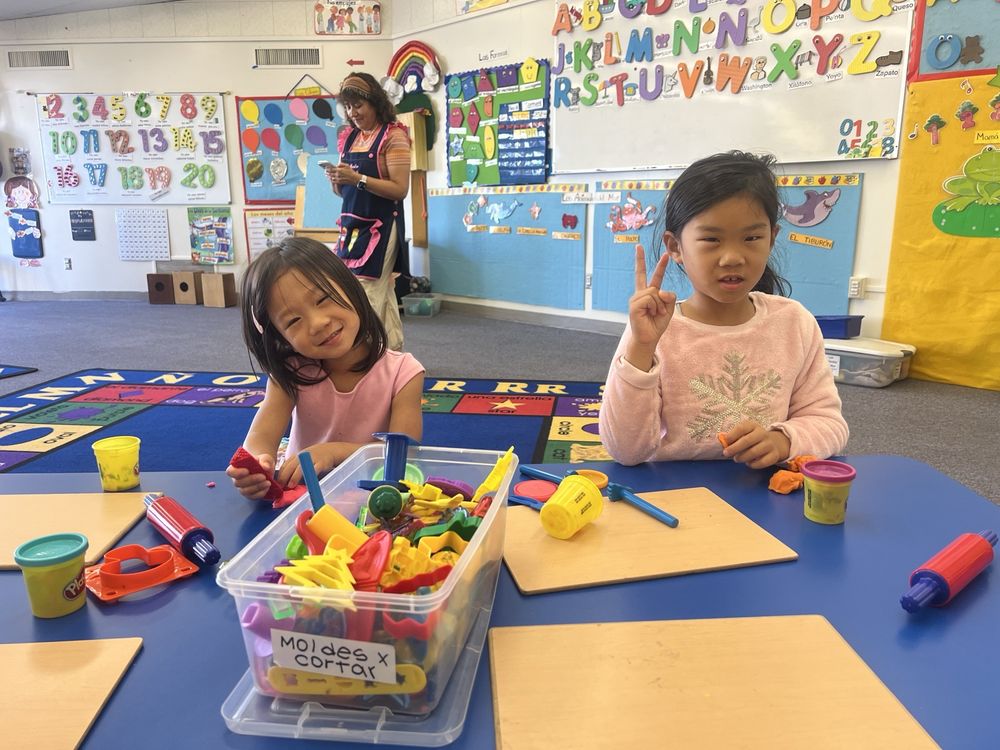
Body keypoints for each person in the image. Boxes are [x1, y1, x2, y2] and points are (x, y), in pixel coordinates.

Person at [598, 151, 848, 468]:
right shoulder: (656, 331)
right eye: (712, 239)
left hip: (766, 495)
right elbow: (625, 451)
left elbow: (828, 422)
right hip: (675, 497)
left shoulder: (794, 322)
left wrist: (783, 441)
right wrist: (641, 348)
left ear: (772, 239)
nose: (732, 257)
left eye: (751, 237)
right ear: (675, 247)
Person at [226, 237, 424, 500]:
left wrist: (333, 452)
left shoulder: (404, 373)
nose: (318, 323)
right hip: (305, 498)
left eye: (323, 299)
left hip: (374, 500)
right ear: (279, 337)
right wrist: (257, 464)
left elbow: (403, 453)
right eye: (294, 320)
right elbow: (260, 437)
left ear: (349, 287)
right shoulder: (291, 373)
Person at [325, 72, 411, 351]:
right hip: (351, 228)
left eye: (358, 105)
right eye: (348, 107)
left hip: (381, 227)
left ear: (374, 102)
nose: (353, 113)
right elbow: (344, 192)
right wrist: (338, 182)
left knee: (366, 293)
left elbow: (399, 189)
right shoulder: (349, 139)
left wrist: (357, 179)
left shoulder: (394, 136)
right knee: (380, 292)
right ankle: (394, 353)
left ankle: (367, 357)